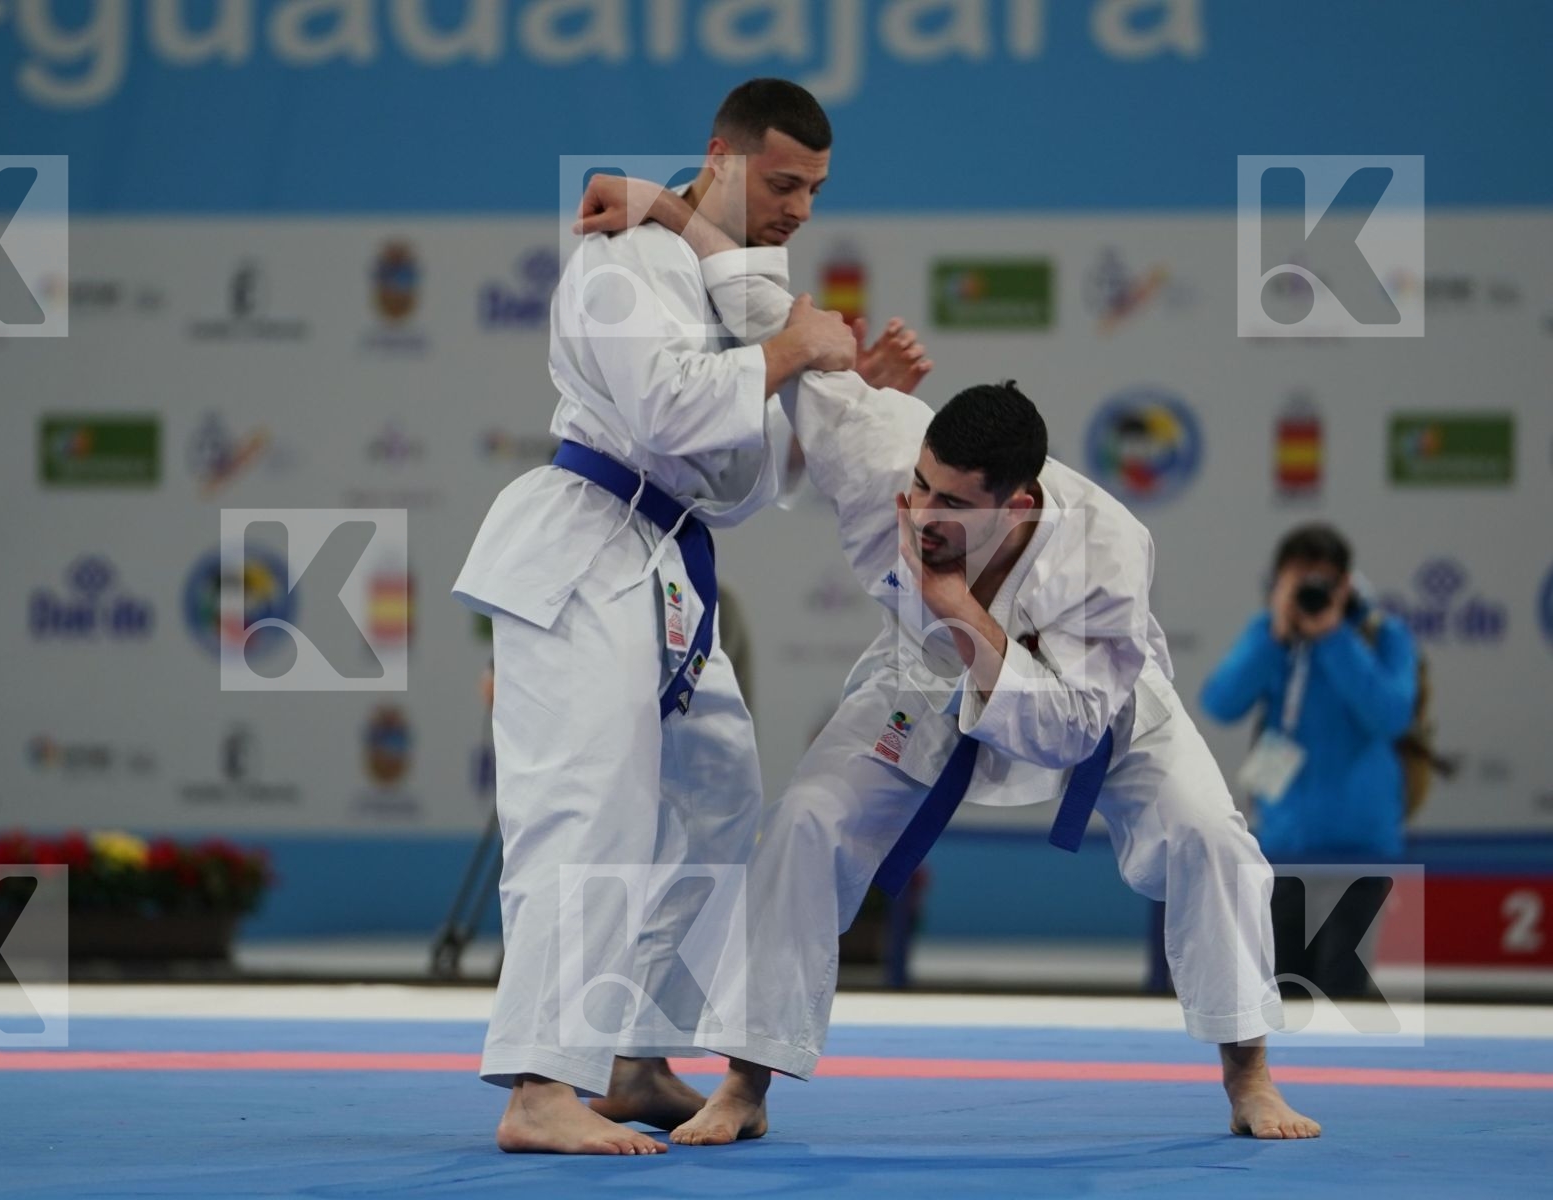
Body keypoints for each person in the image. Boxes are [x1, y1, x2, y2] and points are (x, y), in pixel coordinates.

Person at [581, 185, 1320, 1145]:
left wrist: (961, 610)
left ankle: (1250, 1077)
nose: (922, 511)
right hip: (921, 682)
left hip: (1098, 709)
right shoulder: (880, 451)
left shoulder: (1110, 553)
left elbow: (1064, 728)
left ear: (1017, 508)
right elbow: (767, 307)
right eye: (922, 484)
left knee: (1213, 841)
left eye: (952, 503)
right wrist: (667, 210)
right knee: (806, 822)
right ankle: (745, 1084)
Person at [452, 79, 928, 1156]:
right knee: (588, 807)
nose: (800, 207)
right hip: (585, 545)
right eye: (782, 181)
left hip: (664, 562)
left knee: (717, 794)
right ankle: (537, 1085)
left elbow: (734, 469)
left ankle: (632, 1054)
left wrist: (860, 393)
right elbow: (668, 404)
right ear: (721, 154)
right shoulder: (621, 258)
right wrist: (798, 352)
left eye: (815, 189)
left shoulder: (731, 280)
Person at [1199, 523, 1418, 997]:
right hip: (1284, 845)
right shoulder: (1270, 635)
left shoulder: (1382, 636)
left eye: (1321, 582)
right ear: (1278, 583)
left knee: (1341, 997)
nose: (1311, 594)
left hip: (1360, 846)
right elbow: (1220, 702)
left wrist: (1334, 638)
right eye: (1299, 582)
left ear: (1345, 585)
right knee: (1282, 993)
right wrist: (1274, 635)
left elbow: (1393, 715)